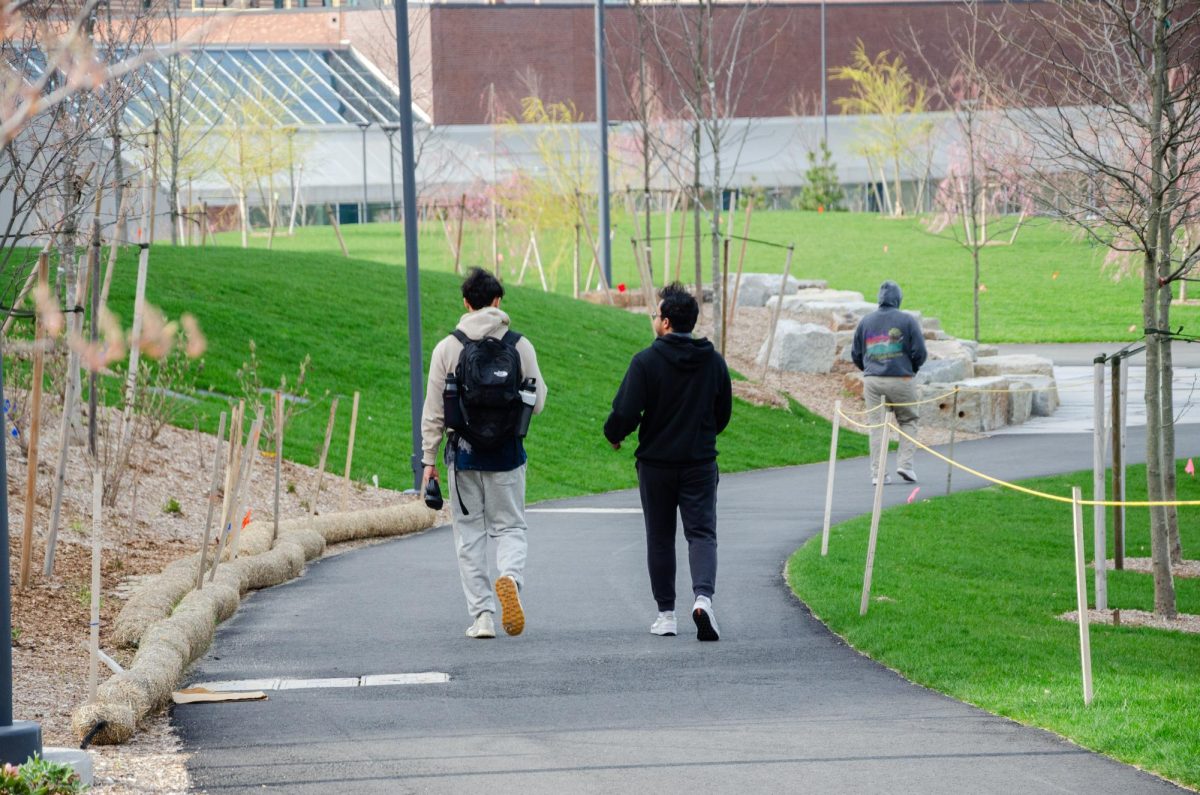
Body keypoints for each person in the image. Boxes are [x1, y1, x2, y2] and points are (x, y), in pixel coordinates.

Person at [420, 268, 548, 640]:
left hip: (464, 458)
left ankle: (483, 618)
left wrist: (429, 462)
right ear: (498, 301)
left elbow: (434, 412)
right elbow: (537, 403)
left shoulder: (448, 347)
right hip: (507, 454)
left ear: (465, 302)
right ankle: (509, 578)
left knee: (470, 535)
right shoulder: (520, 346)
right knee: (510, 527)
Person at [604, 283, 732, 641]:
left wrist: (615, 434)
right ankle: (703, 599)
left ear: (664, 323)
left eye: (656, 314)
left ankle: (666, 615)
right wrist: (703, 431)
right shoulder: (714, 362)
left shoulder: (646, 361)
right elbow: (723, 413)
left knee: (660, 537)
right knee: (702, 533)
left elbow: (626, 410)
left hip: (656, 464)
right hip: (700, 462)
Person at [851, 279, 927, 486]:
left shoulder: (865, 321)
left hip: (873, 381)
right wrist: (912, 369)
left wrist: (869, 370)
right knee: (908, 420)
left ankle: (878, 474)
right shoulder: (908, 321)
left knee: (877, 426)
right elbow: (920, 352)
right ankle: (905, 465)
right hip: (902, 378)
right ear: (898, 299)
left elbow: (856, 354)